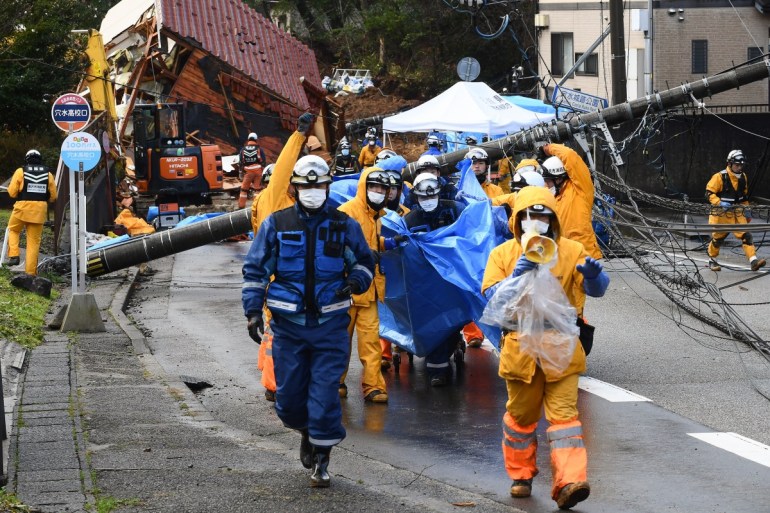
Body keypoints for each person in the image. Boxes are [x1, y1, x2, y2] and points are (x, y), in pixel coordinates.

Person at [242, 154, 375, 488]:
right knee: (287, 400)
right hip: (289, 327)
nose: (313, 191)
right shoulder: (277, 224)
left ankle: (322, 458)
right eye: (307, 186)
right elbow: (256, 269)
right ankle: (306, 431)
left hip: (331, 327)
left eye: (319, 185)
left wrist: (357, 280)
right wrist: (252, 311)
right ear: (295, 188)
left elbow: (364, 261)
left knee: (325, 394)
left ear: (328, 187)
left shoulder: (344, 225)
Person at [481, 186, 609, 510]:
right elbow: (491, 299)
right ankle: (521, 475)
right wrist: (516, 274)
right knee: (522, 416)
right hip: (520, 348)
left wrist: (596, 278)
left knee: (565, 418)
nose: (536, 221)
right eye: (529, 215)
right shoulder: (503, 254)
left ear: (553, 219)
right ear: (518, 220)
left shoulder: (571, 250)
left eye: (543, 215)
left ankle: (569, 482)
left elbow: (596, 290)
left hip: (561, 348)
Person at [250, 114, 315, 403]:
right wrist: (299, 135)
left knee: (278, 334)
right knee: (280, 333)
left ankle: (275, 379)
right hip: (279, 278)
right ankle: (276, 387)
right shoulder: (274, 197)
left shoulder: (286, 202)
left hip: (284, 276)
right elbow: (284, 168)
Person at [402, 172, 466, 385]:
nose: (428, 201)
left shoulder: (455, 210)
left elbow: (472, 229)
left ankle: (451, 344)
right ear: (416, 198)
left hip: (453, 276)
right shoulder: (409, 220)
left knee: (454, 316)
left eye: (432, 196)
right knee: (431, 319)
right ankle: (437, 367)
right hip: (424, 280)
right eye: (423, 197)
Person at [338, 167, 392, 403]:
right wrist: (365, 254)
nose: (378, 192)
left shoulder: (378, 216)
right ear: (364, 187)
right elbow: (336, 244)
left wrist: (386, 244)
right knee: (339, 341)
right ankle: (335, 383)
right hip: (346, 289)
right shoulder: (346, 212)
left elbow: (370, 242)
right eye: (374, 187)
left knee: (371, 342)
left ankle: (373, 386)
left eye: (382, 188)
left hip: (369, 290)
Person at [462, 148, 503, 348]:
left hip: (491, 246)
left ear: (486, 166)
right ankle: (472, 332)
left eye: (480, 163)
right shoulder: (460, 190)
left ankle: (498, 328)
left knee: (492, 288)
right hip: (469, 247)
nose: (476, 166)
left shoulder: (496, 191)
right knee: (469, 288)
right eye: (473, 162)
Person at [538, 144, 603, 259]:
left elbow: (569, 156)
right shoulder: (553, 196)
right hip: (563, 258)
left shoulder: (580, 190)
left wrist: (547, 148)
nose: (546, 184)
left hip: (584, 256)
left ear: (558, 178)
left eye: (548, 181)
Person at [705, 149, 765, 271]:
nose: (739, 167)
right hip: (721, 215)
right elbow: (708, 193)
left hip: (738, 213)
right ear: (729, 164)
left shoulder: (743, 177)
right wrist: (719, 202)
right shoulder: (719, 177)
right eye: (737, 165)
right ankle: (712, 260)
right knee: (718, 239)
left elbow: (744, 196)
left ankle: (753, 261)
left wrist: (746, 211)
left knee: (746, 236)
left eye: (741, 165)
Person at [5, 149, 57, 275]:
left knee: (13, 229)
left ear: (27, 159)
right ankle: (30, 274)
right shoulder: (48, 174)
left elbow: (12, 193)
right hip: (39, 211)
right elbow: (53, 196)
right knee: (33, 242)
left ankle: (14, 255)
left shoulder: (20, 171)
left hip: (22, 209)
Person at [238, 132, 267, 208]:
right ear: (256, 140)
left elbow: (241, 162)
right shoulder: (259, 149)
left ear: (248, 139)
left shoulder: (243, 149)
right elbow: (263, 161)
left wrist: (241, 172)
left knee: (244, 190)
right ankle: (256, 206)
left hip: (248, 172)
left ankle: (241, 206)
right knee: (257, 189)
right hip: (258, 171)